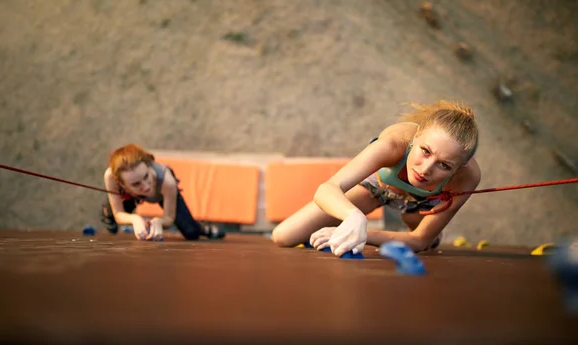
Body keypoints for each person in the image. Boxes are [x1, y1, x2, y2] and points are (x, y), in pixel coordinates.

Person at [271, 100, 481, 256]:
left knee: (427, 248)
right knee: (284, 236)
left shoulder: (468, 177)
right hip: (376, 188)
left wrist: (364, 234)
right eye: (425, 151)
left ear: (460, 167)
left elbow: (418, 239)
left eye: (444, 165)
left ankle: (428, 232)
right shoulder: (392, 144)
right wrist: (353, 217)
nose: (425, 169)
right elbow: (327, 189)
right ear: (416, 136)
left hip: (421, 203)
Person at [99, 144, 225, 241]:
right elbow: (119, 213)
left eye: (146, 176)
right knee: (112, 214)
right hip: (130, 194)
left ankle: (203, 228)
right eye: (136, 183)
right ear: (120, 182)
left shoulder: (167, 182)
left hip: (159, 194)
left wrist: (159, 222)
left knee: (191, 232)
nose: (145, 186)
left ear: (148, 166)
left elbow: (169, 218)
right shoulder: (111, 177)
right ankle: (108, 208)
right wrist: (135, 219)